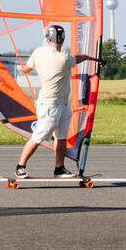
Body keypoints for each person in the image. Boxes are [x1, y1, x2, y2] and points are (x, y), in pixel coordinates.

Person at [15, 25, 98, 178]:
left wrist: (23, 63)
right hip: (49, 104)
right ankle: (20, 166)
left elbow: (26, 69)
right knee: (39, 136)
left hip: (62, 104)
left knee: (61, 138)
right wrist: (86, 57)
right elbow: (76, 59)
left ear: (48, 38)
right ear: (62, 39)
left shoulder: (38, 52)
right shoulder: (65, 58)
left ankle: (59, 168)